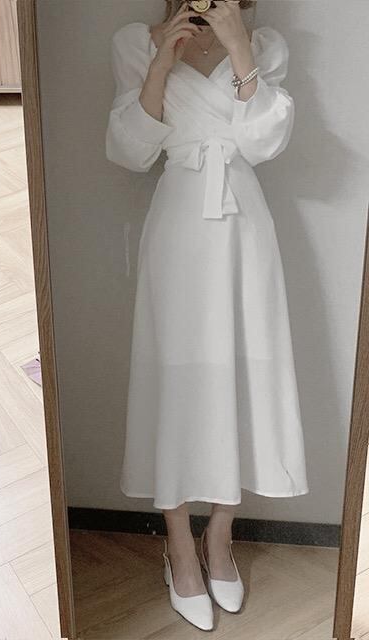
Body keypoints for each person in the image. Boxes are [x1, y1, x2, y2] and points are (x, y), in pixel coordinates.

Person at [106, 0, 309, 630]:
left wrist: (239, 47)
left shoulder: (265, 44)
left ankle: (220, 537)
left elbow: (265, 142)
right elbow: (129, 150)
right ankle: (177, 544)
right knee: (176, 375)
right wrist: (161, 62)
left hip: (245, 224)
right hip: (178, 225)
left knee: (245, 372)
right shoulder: (136, 41)